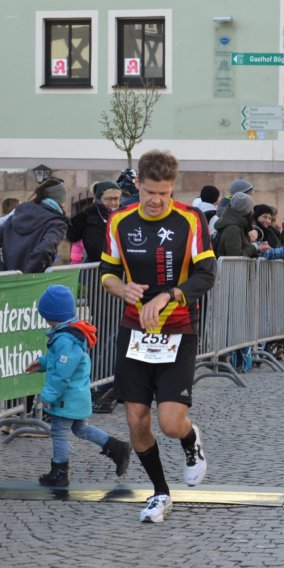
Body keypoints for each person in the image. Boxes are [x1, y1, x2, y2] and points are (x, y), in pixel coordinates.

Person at [99, 149, 216, 524]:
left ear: (173, 187)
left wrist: (169, 294)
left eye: (164, 193)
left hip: (178, 329)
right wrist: (123, 289)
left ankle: (190, 440)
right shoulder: (120, 220)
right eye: (150, 192)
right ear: (138, 185)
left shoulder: (190, 219)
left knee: (169, 422)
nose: (156, 200)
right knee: (136, 418)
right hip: (134, 330)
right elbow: (106, 271)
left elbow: (206, 275)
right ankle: (160, 492)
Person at [24, 285, 131, 487]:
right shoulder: (71, 333)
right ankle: (116, 448)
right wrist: (43, 363)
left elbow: (62, 373)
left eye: (45, 316)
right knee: (81, 429)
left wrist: (48, 396)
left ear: (52, 316)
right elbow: (62, 362)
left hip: (67, 397)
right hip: (77, 395)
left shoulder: (64, 340)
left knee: (59, 431)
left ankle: (60, 471)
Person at [0, 177, 69, 273]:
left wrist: (1, 270)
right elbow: (44, 249)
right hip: (35, 278)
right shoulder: (57, 223)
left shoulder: (19, 212)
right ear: (61, 199)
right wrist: (28, 274)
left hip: (10, 276)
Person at [67, 181, 120, 263]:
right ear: (99, 199)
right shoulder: (86, 215)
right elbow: (72, 236)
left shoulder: (124, 213)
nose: (113, 203)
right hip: (94, 264)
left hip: (119, 263)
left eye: (116, 199)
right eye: (108, 199)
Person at [213, 192, 259, 257]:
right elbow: (236, 256)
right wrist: (254, 247)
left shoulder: (234, 222)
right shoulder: (233, 228)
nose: (252, 211)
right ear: (245, 211)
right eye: (251, 208)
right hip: (229, 264)